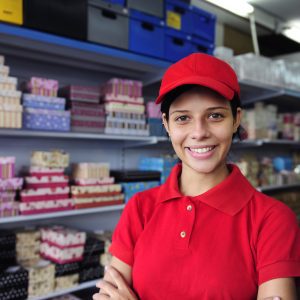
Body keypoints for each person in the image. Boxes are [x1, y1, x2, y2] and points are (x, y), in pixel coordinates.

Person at [93, 53, 300, 299]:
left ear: (236, 120)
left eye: (215, 115)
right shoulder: (140, 208)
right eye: (183, 118)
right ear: (167, 124)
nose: (199, 132)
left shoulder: (272, 220)